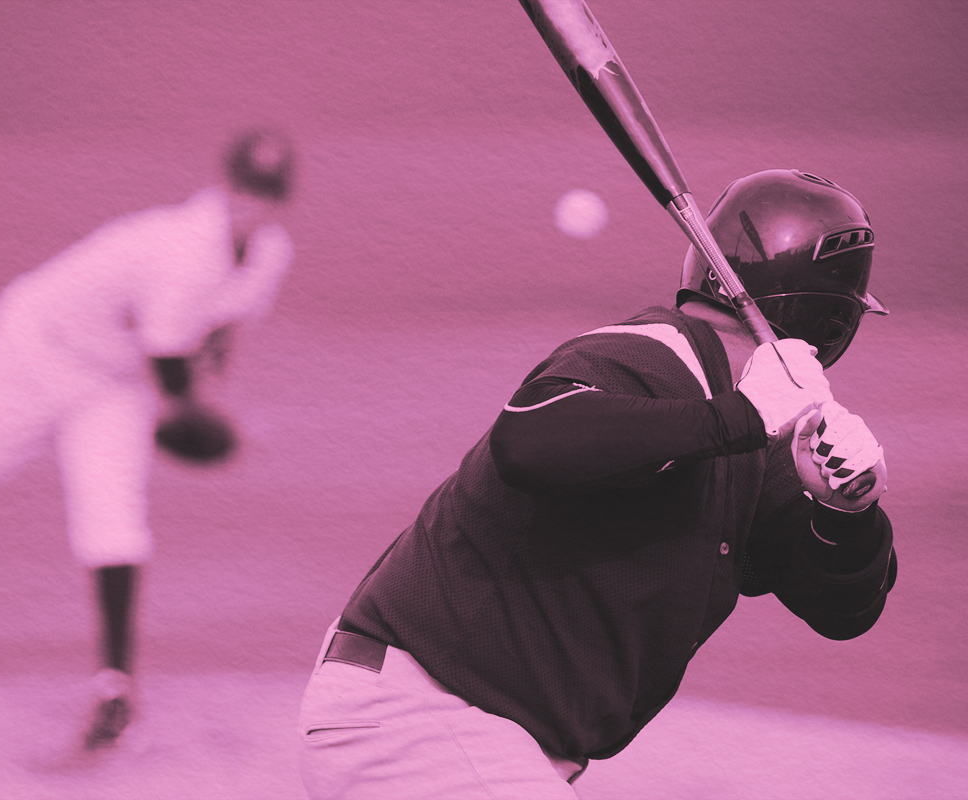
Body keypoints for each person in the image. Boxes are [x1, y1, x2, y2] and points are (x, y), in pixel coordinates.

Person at [297, 169, 897, 798]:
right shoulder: (647, 356)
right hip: (420, 717)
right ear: (830, 319)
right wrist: (741, 417)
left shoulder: (754, 431)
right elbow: (527, 441)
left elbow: (841, 611)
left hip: (471, 739)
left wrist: (848, 509)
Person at [0, 128, 296, 751]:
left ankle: (115, 688)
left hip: (114, 381)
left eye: (264, 190)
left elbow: (218, 335)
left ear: (278, 199)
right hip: (41, 344)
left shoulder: (268, 256)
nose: (249, 200)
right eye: (242, 184)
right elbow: (171, 366)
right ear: (223, 181)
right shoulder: (184, 246)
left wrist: (205, 404)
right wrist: (198, 422)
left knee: (114, 521)